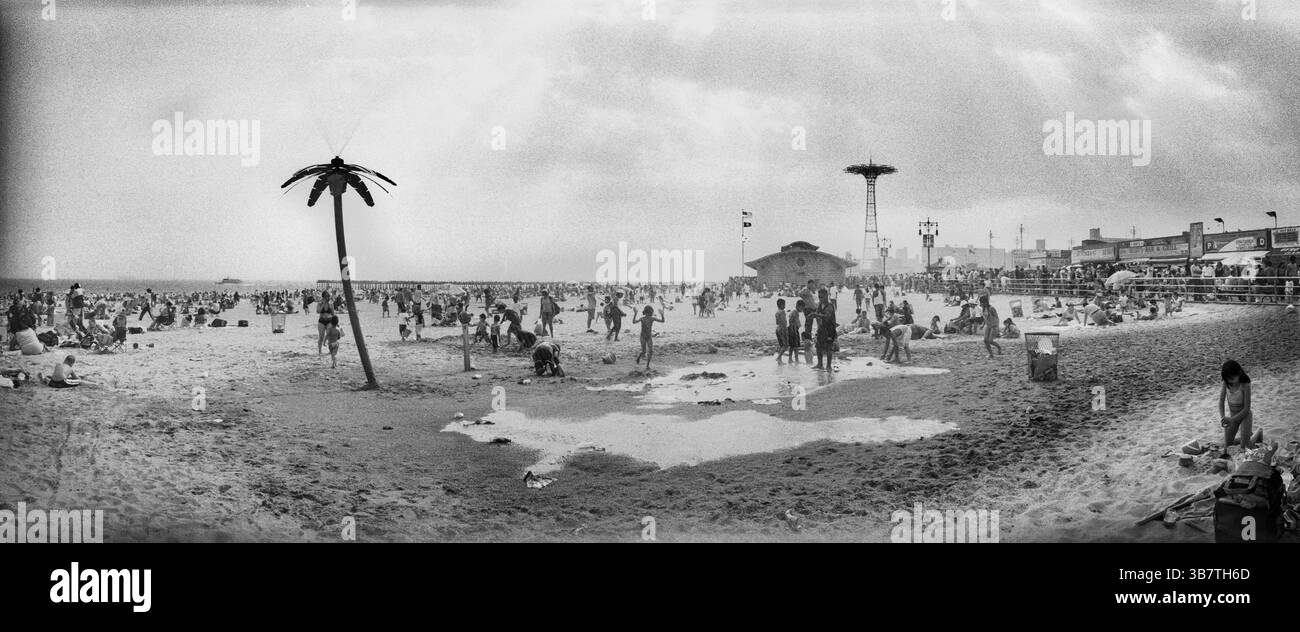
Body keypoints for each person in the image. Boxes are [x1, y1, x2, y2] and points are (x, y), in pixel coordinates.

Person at [1218, 360, 1261, 457]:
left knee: (1244, 447)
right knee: (1228, 445)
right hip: (1232, 417)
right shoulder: (1226, 383)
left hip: (1245, 416)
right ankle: (1246, 436)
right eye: (1228, 379)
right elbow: (1221, 402)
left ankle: (1257, 434)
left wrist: (1231, 419)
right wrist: (1223, 417)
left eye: (1232, 378)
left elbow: (1246, 409)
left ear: (1239, 373)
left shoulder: (1245, 384)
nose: (1230, 381)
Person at [812, 288, 837, 371]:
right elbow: (817, 313)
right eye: (819, 297)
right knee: (818, 346)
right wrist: (813, 315)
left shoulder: (830, 306)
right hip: (821, 328)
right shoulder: (820, 305)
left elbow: (827, 316)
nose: (820, 299)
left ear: (826, 296)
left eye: (822, 297)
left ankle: (828, 366)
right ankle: (820, 364)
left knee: (829, 347)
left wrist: (817, 315)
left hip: (830, 329)